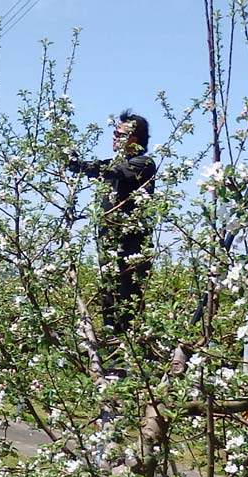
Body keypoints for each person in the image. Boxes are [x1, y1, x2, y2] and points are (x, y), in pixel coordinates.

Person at [68, 110, 157, 340]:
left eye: (118, 134)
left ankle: (131, 357)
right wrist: (73, 162)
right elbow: (99, 168)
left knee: (128, 301)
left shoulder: (142, 163)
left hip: (131, 249)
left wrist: (84, 167)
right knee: (109, 298)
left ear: (133, 139)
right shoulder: (118, 164)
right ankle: (113, 355)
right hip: (110, 246)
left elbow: (110, 171)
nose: (114, 138)